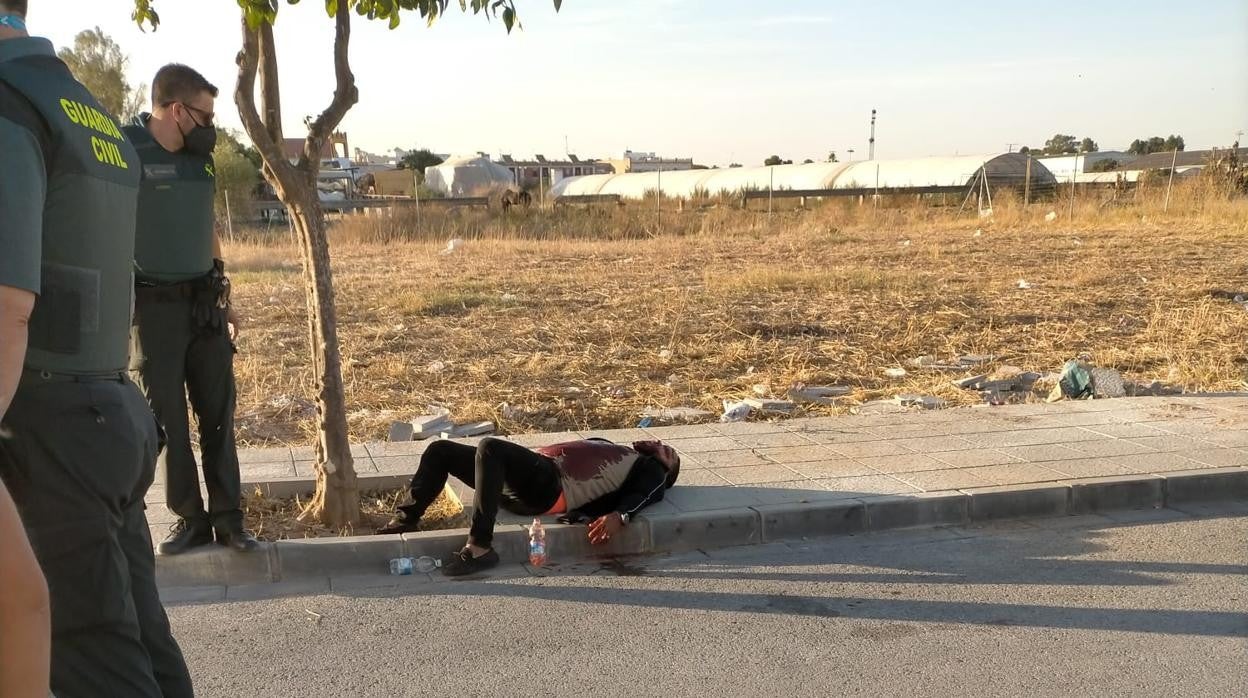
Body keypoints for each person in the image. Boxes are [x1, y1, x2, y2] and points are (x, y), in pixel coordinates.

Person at [0, 3, 194, 696]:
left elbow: (8, 305)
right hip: (110, 411)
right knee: (138, 639)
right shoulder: (78, 104)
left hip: (49, 427)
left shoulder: (8, 102)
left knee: (91, 660)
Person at [123, 64, 258, 555]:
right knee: (168, 424)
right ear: (176, 111)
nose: (211, 128)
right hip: (151, 310)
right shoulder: (122, 150)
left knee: (219, 415)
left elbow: (208, 226)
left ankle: (230, 521)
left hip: (204, 305)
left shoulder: (202, 162)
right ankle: (190, 519)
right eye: (205, 116)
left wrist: (227, 298)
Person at [378, 437, 681, 576]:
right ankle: (406, 518)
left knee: (490, 447)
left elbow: (647, 492)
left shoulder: (651, 469)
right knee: (440, 450)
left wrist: (621, 516)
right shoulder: (615, 447)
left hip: (550, 486)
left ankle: (481, 547)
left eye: (670, 453)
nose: (661, 444)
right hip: (523, 481)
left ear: (668, 470)